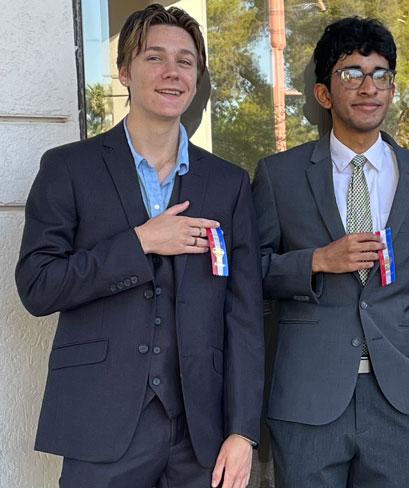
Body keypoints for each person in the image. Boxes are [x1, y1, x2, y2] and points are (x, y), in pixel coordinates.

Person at [15, 4, 263, 487]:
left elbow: (244, 314)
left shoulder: (228, 183)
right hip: (101, 422)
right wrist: (141, 242)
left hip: (202, 431)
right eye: (155, 57)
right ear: (125, 70)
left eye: (186, 61)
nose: (172, 72)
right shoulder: (68, 168)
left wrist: (243, 431)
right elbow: (38, 286)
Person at [251, 16, 409, 487]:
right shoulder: (279, 176)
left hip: (401, 400)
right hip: (307, 401)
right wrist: (317, 260)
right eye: (352, 74)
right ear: (324, 93)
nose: (369, 87)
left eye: (380, 74)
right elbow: (250, 273)